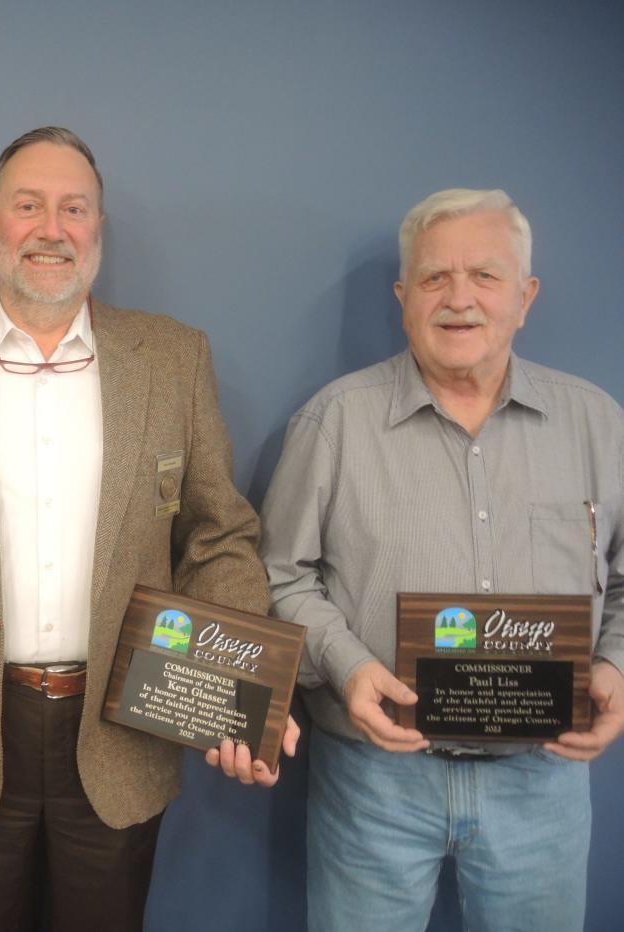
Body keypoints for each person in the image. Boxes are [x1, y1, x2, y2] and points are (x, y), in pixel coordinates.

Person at [0, 126, 297, 932]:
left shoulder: (171, 358)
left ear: (97, 231)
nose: (51, 228)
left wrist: (242, 695)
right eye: (28, 205)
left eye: (73, 208)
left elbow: (217, 538)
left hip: (124, 725)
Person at [260, 188, 624, 931]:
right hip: (374, 782)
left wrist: (615, 665)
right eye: (434, 278)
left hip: (543, 784)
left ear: (525, 297)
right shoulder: (334, 421)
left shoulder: (597, 423)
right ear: (403, 296)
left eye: (485, 277)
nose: (459, 299)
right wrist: (349, 667)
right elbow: (279, 575)